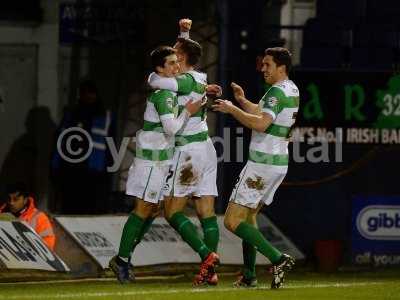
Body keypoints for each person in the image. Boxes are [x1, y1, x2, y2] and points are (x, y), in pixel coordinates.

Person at [109, 45, 208, 284]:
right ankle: (121, 260)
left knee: (152, 211)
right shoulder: (164, 95)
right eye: (171, 63)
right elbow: (171, 128)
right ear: (159, 69)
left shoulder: (169, 91)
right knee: (142, 210)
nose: (176, 66)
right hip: (150, 163)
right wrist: (188, 111)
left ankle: (124, 258)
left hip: (161, 161)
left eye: (177, 61)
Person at [212, 47, 298, 289]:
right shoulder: (290, 89)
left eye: (267, 64)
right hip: (277, 164)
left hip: (262, 165)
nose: (262, 69)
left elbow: (260, 124)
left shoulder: (275, 93)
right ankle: (249, 275)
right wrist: (241, 100)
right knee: (249, 217)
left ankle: (278, 259)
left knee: (232, 221)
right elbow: (263, 114)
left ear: (281, 67)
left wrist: (231, 109)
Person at [148, 19, 222, 286]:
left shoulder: (181, 82)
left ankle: (206, 255)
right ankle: (211, 273)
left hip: (188, 151)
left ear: (181, 58)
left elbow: (154, 77)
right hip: (207, 148)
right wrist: (184, 34)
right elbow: (186, 55)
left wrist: (183, 39)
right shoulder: (200, 77)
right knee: (206, 211)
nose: (172, 56)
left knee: (172, 211)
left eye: (175, 53)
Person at [51, 79, 115, 214]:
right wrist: (55, 167)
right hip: (73, 170)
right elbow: (60, 142)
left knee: (93, 209)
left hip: (95, 172)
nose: (88, 96)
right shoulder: (71, 114)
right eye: (85, 93)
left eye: (91, 93)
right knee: (72, 208)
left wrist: (110, 168)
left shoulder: (106, 116)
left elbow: (111, 143)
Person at [0, 183, 56, 250]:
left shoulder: (39, 218)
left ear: (25, 200)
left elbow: (48, 246)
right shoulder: (1, 214)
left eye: (16, 199)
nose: (11, 203)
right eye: (9, 199)